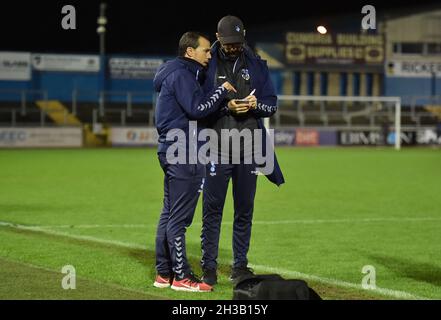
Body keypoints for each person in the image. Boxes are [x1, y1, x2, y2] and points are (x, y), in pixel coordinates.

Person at [200, 16, 285, 286]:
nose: (234, 47)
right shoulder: (206, 64)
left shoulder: (258, 65)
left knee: (244, 210)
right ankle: (209, 267)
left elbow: (272, 105)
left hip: (248, 151)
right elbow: (198, 105)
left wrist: (254, 106)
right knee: (212, 211)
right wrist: (227, 107)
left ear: (244, 37)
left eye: (238, 42)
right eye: (228, 43)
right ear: (217, 37)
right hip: (216, 148)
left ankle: (240, 266)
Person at [153, 31, 236, 292]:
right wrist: (222, 91)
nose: (209, 54)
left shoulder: (174, 73)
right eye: (205, 51)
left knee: (169, 214)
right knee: (179, 219)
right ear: (190, 52)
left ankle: (163, 273)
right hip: (185, 151)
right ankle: (181, 277)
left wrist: (222, 105)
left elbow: (195, 109)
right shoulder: (183, 75)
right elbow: (197, 109)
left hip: (173, 148)